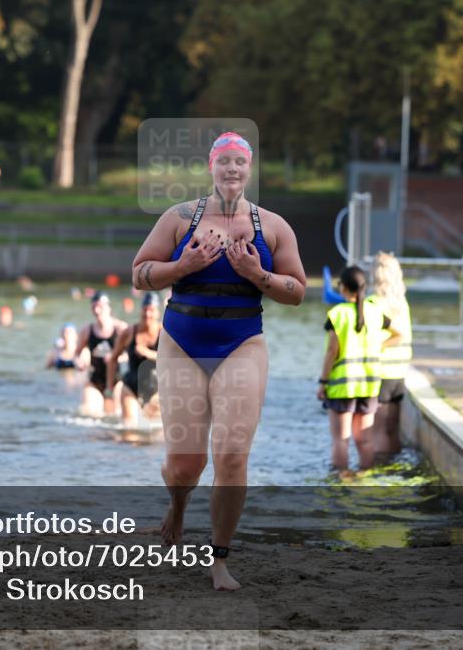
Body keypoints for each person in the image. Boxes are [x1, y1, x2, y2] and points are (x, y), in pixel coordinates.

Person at [131, 131, 306, 591]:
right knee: (185, 466)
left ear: (250, 169)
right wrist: (181, 267)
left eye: (239, 161)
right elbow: (140, 273)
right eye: (224, 160)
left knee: (231, 455)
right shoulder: (179, 218)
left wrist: (257, 274)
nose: (232, 168)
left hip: (241, 342)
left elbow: (297, 291)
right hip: (182, 343)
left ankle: (219, 559)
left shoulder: (272, 226)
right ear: (211, 166)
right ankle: (178, 506)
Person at [317, 266, 402, 472]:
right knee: (365, 441)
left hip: (342, 386)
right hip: (369, 385)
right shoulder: (375, 312)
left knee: (341, 440)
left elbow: (331, 351)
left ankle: (341, 480)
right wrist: (377, 347)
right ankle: (365, 478)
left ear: (343, 288)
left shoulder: (337, 314)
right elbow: (397, 334)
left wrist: (323, 382)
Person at [368, 252, 412, 463]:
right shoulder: (402, 303)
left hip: (381, 372)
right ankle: (395, 468)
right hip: (400, 371)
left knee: (377, 431)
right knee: (392, 429)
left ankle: (378, 470)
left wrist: (375, 348)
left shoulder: (373, 303)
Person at [106, 293, 162, 428]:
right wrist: (109, 389)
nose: (147, 314)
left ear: (158, 313)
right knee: (129, 430)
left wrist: (148, 353)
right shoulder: (129, 332)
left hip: (157, 390)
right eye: (145, 310)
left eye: (151, 310)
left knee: (156, 433)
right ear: (140, 310)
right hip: (131, 387)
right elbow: (113, 359)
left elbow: (173, 361)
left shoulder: (165, 333)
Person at [74, 292, 128, 417]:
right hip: (95, 381)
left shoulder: (121, 328)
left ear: (109, 308)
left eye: (100, 306)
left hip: (116, 381)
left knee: (115, 414)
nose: (97, 310)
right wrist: (78, 362)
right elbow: (76, 354)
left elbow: (131, 353)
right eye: (94, 307)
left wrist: (117, 357)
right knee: (89, 414)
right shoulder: (87, 330)